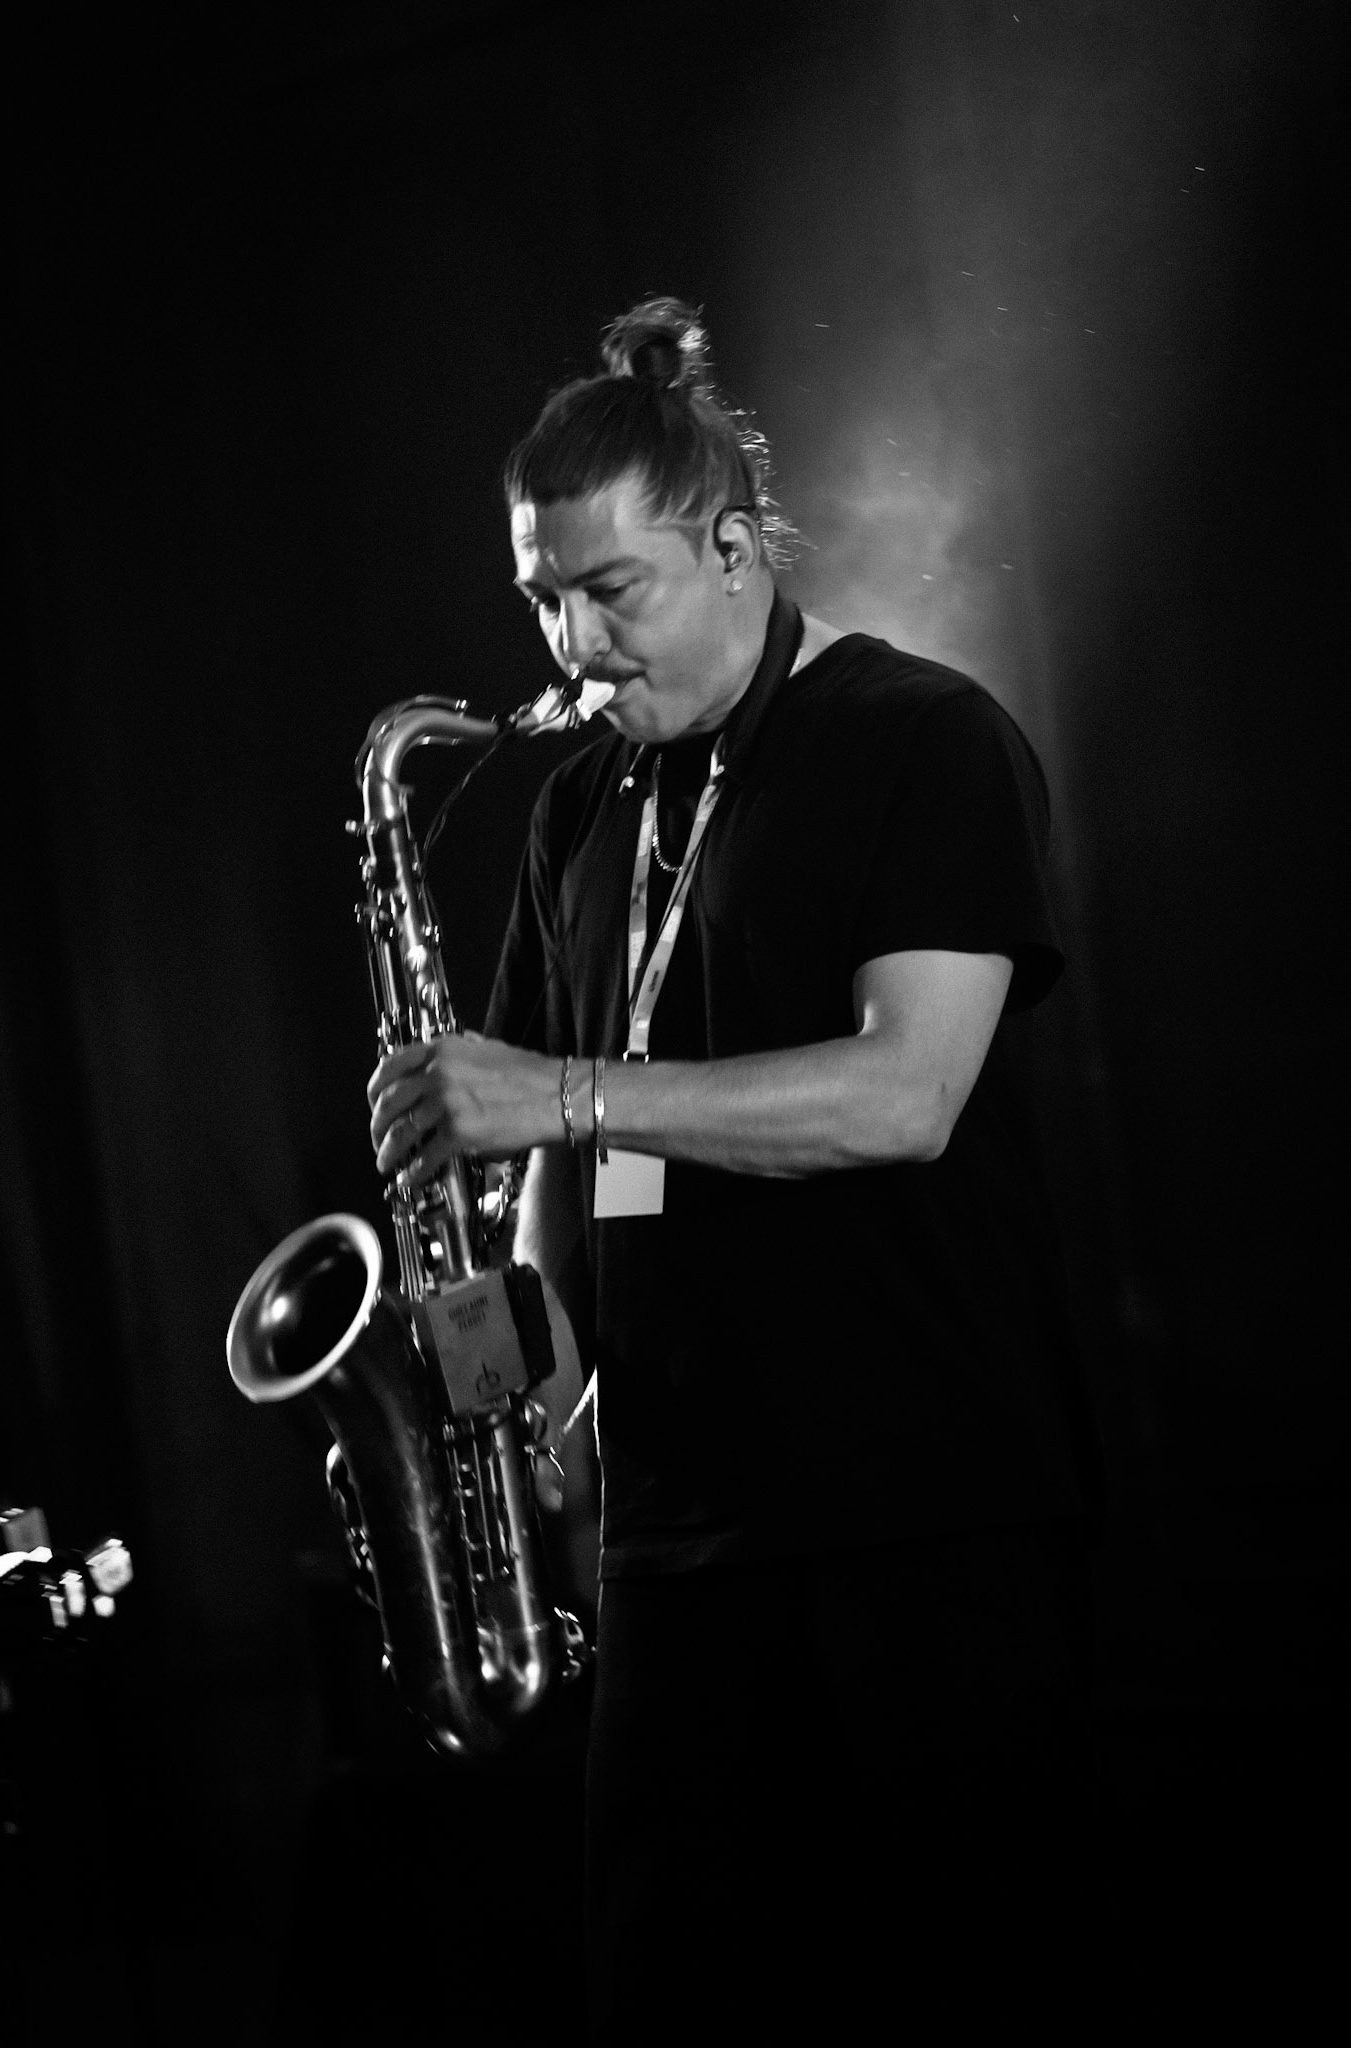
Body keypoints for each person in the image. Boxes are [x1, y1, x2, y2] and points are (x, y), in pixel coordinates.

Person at [367, 298, 1104, 2039]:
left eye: (605, 591)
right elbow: (573, 1145)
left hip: (922, 1530)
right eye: (541, 595)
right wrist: (515, 1380)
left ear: (725, 547)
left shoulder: (922, 738)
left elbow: (903, 1096)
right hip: (679, 1553)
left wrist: (554, 1094)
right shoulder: (577, 808)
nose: (571, 645)